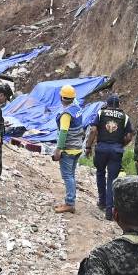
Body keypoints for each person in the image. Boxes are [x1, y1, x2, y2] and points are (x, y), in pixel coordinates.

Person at [84, 94, 133, 221]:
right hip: (116, 151)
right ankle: (109, 212)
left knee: (100, 173)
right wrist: (120, 144)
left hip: (101, 149)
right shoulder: (125, 117)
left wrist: (88, 146)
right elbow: (129, 136)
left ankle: (102, 202)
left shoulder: (101, 113)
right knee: (112, 179)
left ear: (108, 103)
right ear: (119, 105)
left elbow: (93, 130)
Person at [51, 83, 86, 213]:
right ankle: (69, 200)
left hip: (68, 149)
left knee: (67, 176)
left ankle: (70, 203)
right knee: (71, 175)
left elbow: (63, 132)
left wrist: (58, 149)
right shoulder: (77, 108)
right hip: (77, 147)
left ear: (61, 98)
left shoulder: (66, 114)